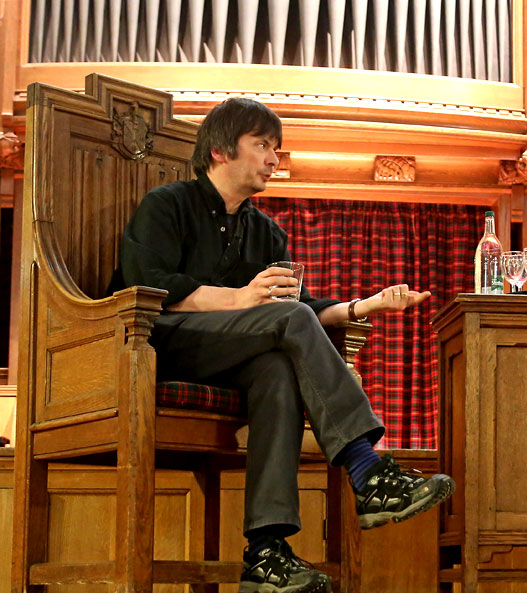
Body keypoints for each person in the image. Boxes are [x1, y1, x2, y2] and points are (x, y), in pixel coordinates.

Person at [112, 97, 454, 593]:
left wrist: (363, 307)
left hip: (235, 353)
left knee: (275, 370)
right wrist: (240, 297)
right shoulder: (166, 205)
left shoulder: (267, 232)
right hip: (159, 343)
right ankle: (367, 470)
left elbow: (304, 309)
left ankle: (265, 552)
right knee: (283, 326)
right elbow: (146, 285)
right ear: (220, 151)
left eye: (276, 148)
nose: (274, 158)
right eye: (262, 145)